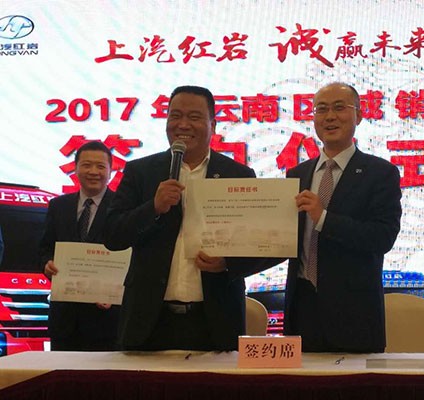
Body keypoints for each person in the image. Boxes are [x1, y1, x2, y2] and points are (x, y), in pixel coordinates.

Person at [104, 85, 268, 351]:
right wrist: (153, 207)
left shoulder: (238, 175)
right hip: (149, 320)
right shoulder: (141, 171)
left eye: (194, 117)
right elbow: (112, 235)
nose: (182, 124)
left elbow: (259, 244)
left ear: (213, 125)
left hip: (214, 321)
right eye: (175, 116)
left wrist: (228, 263)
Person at [284, 82, 402, 353]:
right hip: (301, 309)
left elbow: (382, 238)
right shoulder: (297, 174)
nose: (330, 117)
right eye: (321, 109)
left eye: (339, 108)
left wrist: (323, 218)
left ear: (358, 115)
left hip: (354, 315)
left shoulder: (380, 173)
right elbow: (284, 239)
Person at [39, 141, 120, 351]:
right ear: (75, 169)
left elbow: (134, 256)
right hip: (64, 320)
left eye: (100, 166)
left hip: (107, 320)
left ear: (110, 171)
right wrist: (47, 264)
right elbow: (45, 248)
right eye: (86, 165)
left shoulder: (123, 207)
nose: (93, 172)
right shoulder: (58, 206)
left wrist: (118, 292)